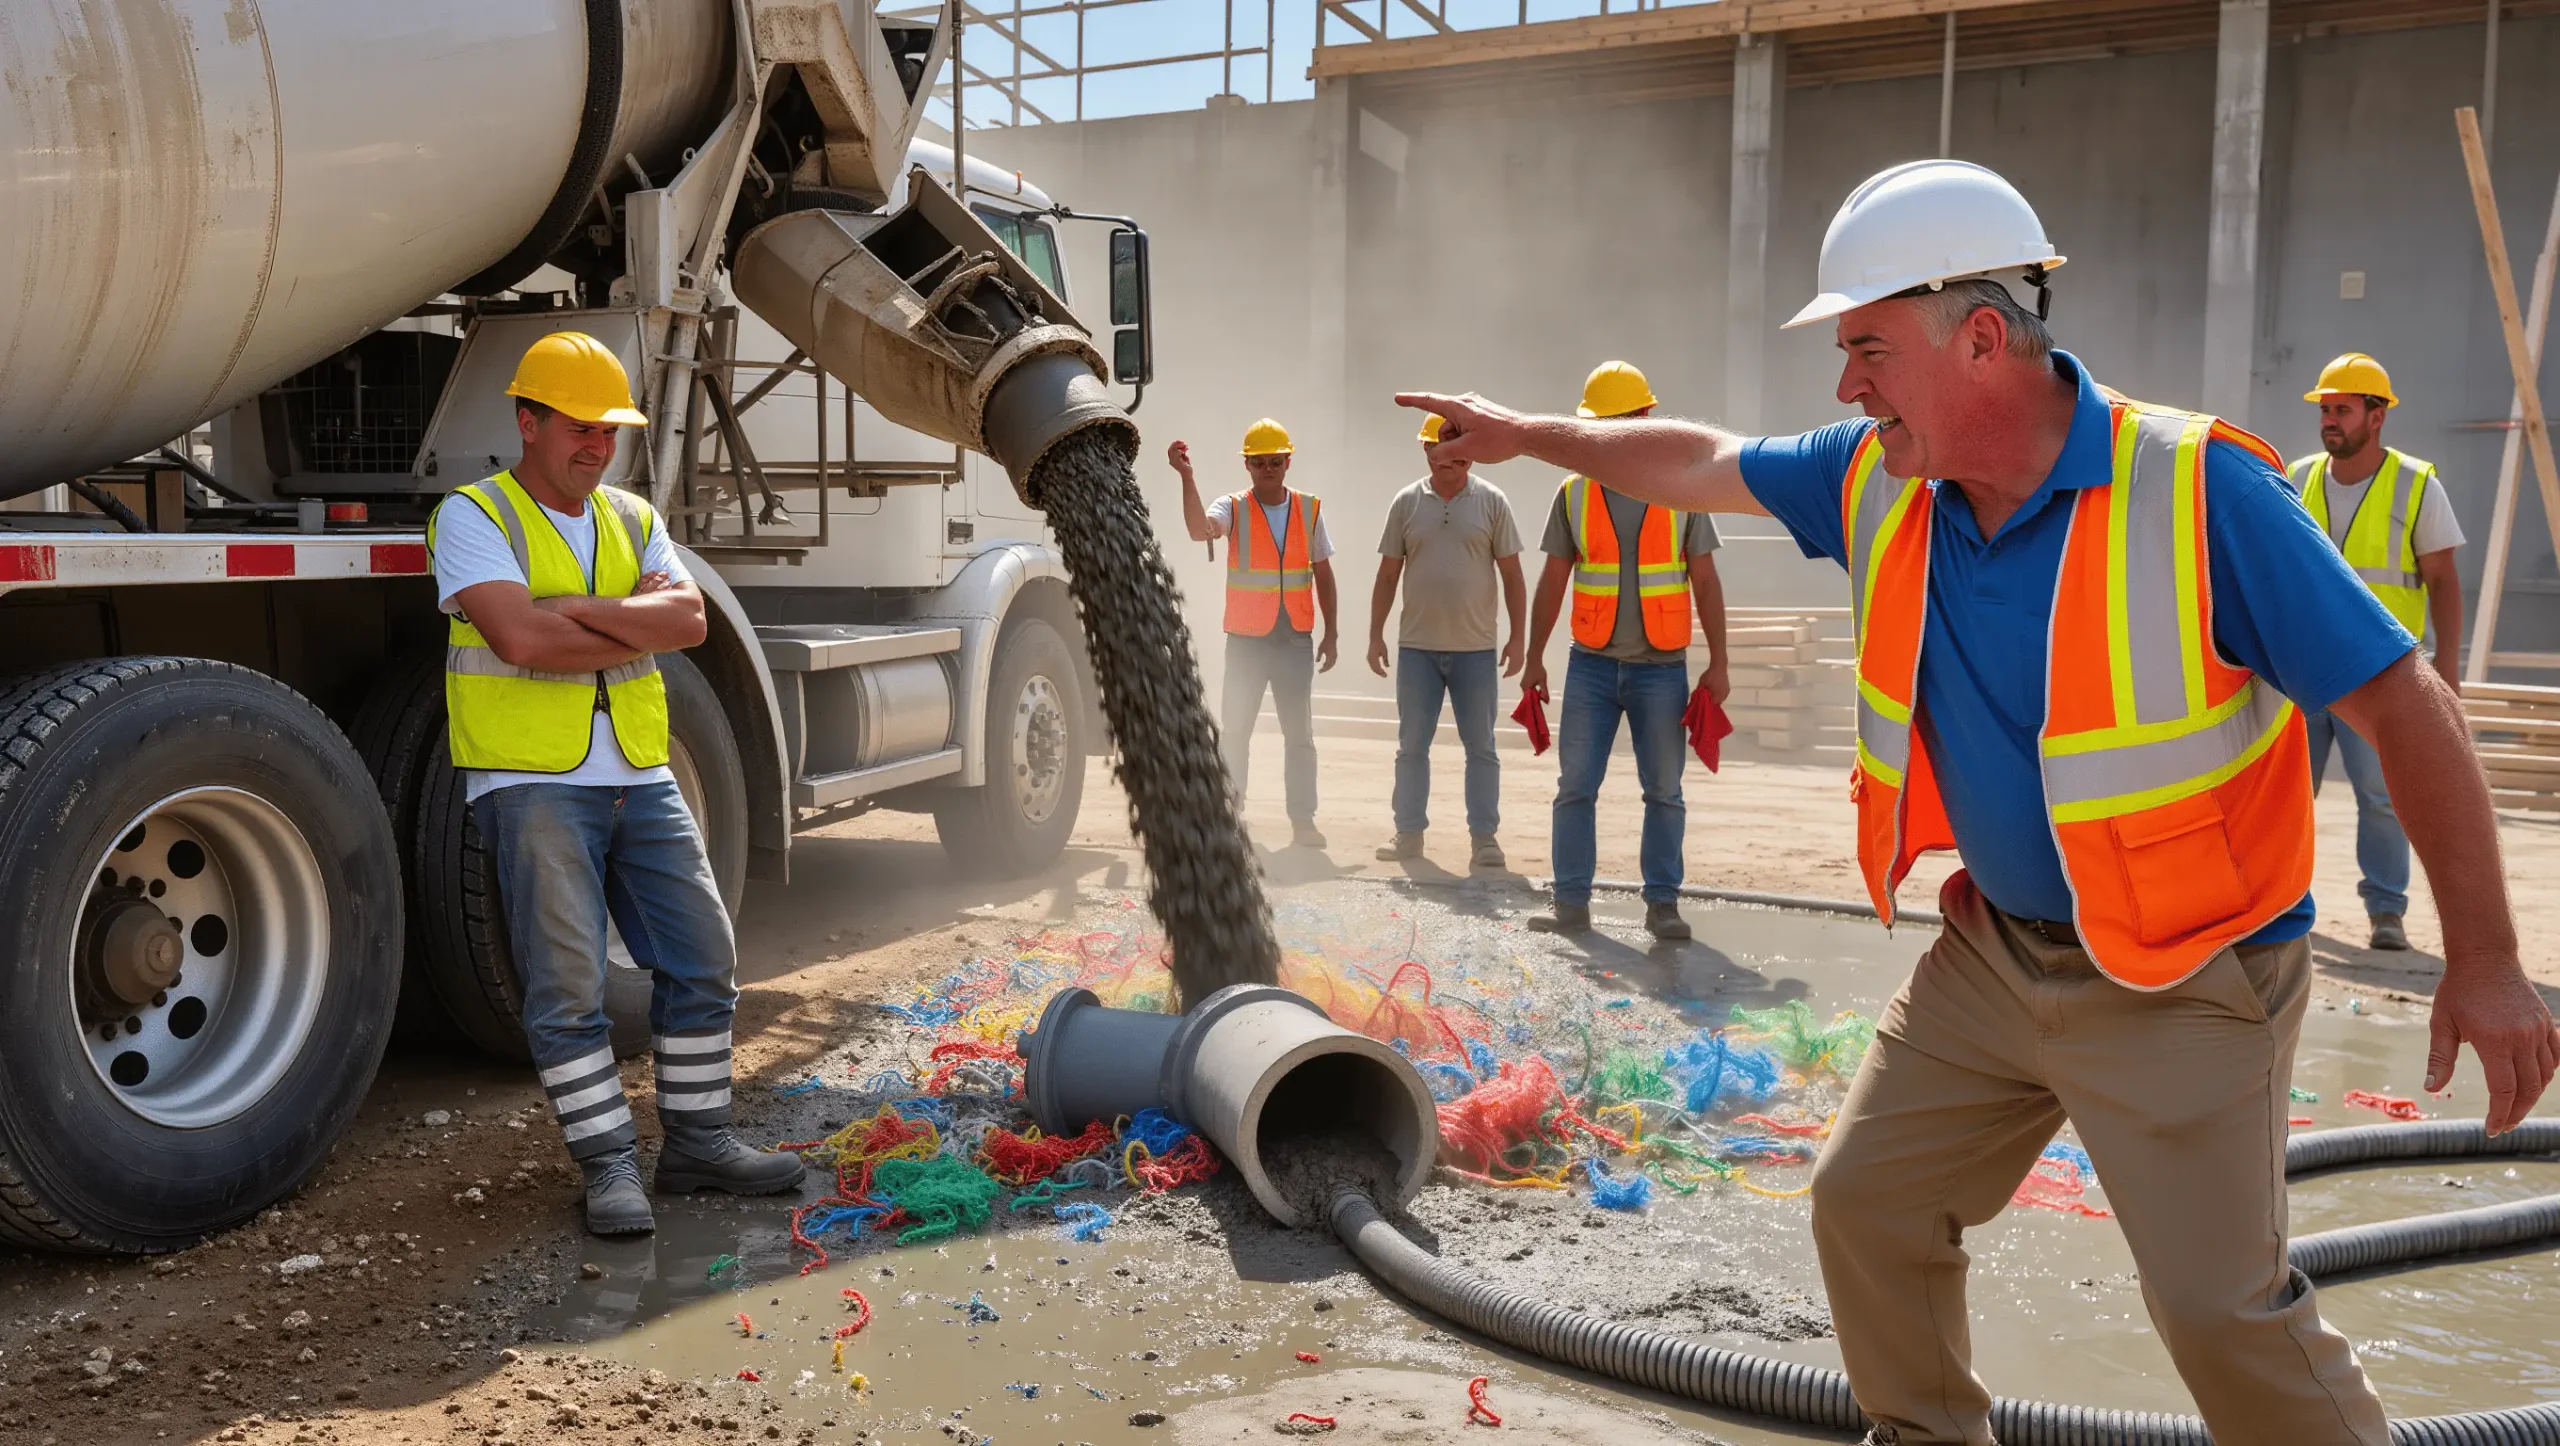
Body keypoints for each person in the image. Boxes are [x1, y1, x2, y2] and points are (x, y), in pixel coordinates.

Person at [1398, 159, 2556, 1446]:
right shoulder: (1881, 478)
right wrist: (1527, 432)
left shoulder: (2199, 491)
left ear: (1984, 338)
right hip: (1997, 954)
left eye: (1869, 350)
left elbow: (2408, 703)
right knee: (1865, 1206)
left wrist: (2490, 961)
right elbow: (1702, 459)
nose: (1847, 386)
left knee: (2219, 1313)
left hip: (2189, 972)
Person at [427, 331, 806, 1237]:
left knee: (703, 955)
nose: (597, 446)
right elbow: (519, 640)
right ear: (528, 421)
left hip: (639, 769)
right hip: (531, 782)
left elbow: (688, 620)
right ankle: (607, 1170)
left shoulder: (632, 517)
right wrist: (623, 623)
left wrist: (581, 613)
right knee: (567, 990)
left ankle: (698, 1144)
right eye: (578, 427)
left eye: (610, 431)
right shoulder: (475, 516)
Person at [1516, 360, 1729, 942]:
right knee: (1575, 787)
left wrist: (1720, 662)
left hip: (1661, 670)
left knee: (1664, 791)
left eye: (1618, 424)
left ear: (1644, 420)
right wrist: (1535, 657)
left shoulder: (1685, 490)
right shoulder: (1573, 493)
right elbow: (1553, 579)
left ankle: (1662, 905)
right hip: (1590, 666)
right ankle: (1570, 904)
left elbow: (1705, 581)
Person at [2290, 353, 2466, 952]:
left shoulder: (2417, 485)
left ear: (2377, 415)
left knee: (2382, 797)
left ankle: (2386, 911)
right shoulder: (2297, 479)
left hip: (2381, 673)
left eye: (2342, 409)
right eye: (2325, 409)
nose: (2329, 420)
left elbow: (2442, 580)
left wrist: (2448, 671)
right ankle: (2284, 906)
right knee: (2287, 797)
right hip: (2304, 670)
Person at [1368, 412, 1528, 869]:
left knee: (1481, 747)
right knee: (1412, 745)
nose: (1448, 460)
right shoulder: (1406, 503)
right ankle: (1409, 834)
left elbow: (1513, 575)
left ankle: (1484, 839)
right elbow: (1386, 574)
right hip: (1417, 648)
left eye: (1458, 451)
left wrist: (1517, 638)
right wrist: (1375, 634)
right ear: (1426, 451)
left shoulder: (1492, 502)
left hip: (1475, 650)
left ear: (1471, 454)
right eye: (1439, 450)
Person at [1173, 419, 1340, 849]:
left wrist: (1332, 633)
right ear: (1247, 465)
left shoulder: (1309, 509)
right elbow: (1198, 531)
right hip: (1247, 640)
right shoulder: (1232, 506)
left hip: (1294, 638)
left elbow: (1323, 571)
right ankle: (1230, 811)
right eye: (1260, 462)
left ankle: (1303, 821)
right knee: (1236, 730)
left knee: (1299, 734)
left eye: (1275, 461)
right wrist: (1187, 479)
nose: (1268, 468)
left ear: (1288, 463)